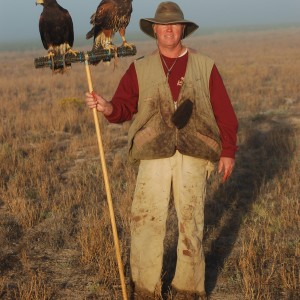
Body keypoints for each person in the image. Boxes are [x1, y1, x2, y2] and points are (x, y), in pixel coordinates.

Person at [85, 2, 238, 299]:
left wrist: (228, 151)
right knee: (145, 221)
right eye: (163, 25)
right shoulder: (139, 67)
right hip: (153, 152)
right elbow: (124, 107)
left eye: (174, 24)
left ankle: (188, 290)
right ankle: (144, 289)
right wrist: (107, 107)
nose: (169, 29)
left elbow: (225, 113)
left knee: (190, 223)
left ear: (183, 29)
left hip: (195, 152)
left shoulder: (205, 65)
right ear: (154, 30)